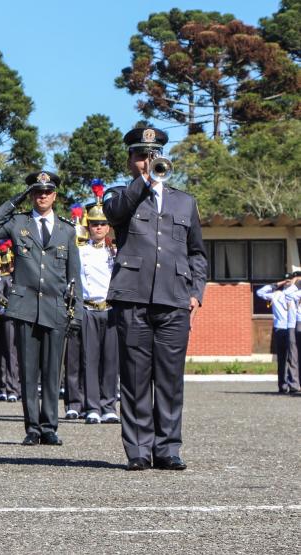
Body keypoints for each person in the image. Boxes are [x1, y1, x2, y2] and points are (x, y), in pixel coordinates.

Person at [103, 126, 207, 471]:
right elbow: (116, 215)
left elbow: (197, 254)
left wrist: (196, 292)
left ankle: (167, 449)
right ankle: (137, 451)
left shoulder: (184, 201)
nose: (147, 161)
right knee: (133, 378)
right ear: (130, 160)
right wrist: (144, 181)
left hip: (174, 300)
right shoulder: (119, 195)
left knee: (170, 379)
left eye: (153, 156)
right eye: (140, 155)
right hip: (132, 299)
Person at [0, 171, 83, 447]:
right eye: (37, 192)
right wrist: (15, 199)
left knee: (52, 370)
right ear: (31, 195)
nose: (42, 196)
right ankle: (32, 427)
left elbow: (73, 274)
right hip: (25, 306)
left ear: (55, 195)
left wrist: (75, 312)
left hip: (54, 306)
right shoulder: (19, 222)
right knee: (28, 370)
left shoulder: (66, 229)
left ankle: (49, 426)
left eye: (47, 191)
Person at [74, 192, 120, 424]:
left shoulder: (115, 252)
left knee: (111, 360)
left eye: (103, 224)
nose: (99, 228)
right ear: (88, 226)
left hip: (110, 309)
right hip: (89, 308)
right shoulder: (80, 251)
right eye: (94, 224)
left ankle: (109, 405)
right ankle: (92, 406)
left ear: (108, 227)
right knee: (89, 360)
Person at [256, 277, 300, 393]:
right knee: (292, 357)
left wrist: (277, 284)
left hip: (281, 328)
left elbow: (260, 292)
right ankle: (292, 383)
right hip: (290, 328)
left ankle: (283, 385)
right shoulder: (292, 294)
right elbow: (259, 292)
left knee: (282, 359)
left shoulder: (276, 295)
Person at [0, 242, 21, 402]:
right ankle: (11, 388)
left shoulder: (25, 279)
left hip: (24, 318)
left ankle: (21, 387)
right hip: (10, 319)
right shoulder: (5, 279)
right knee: (10, 355)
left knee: (24, 356)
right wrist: (9, 304)